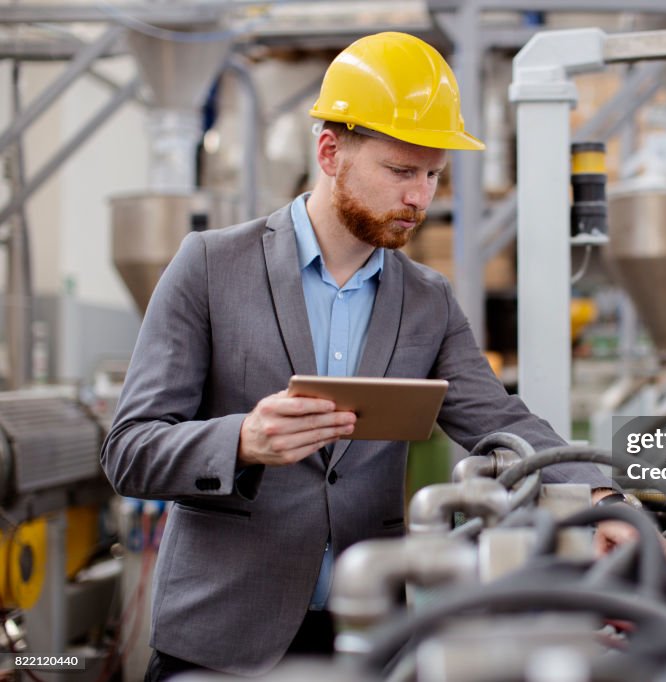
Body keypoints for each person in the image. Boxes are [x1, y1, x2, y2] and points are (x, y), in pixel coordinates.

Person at [101, 32, 638, 679]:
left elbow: (502, 420)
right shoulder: (211, 268)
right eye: (401, 171)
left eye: (433, 174)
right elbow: (129, 449)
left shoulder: (427, 300)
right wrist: (242, 441)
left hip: (366, 636)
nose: (420, 196)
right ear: (330, 151)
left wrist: (602, 498)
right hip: (223, 639)